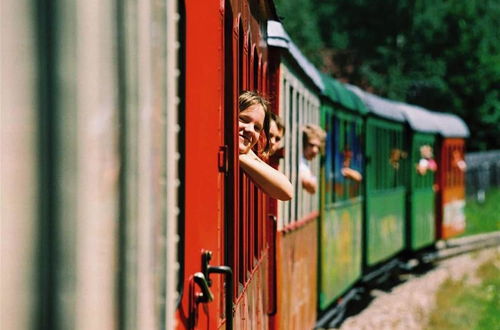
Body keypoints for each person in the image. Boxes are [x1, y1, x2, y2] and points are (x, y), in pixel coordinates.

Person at [238, 91, 293, 201]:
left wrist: (239, 157)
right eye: (243, 119)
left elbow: (286, 192)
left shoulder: (245, 152)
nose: (250, 130)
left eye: (257, 128)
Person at [300, 124, 326, 194]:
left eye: (318, 147)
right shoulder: (299, 161)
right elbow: (310, 185)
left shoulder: (303, 161)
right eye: (311, 145)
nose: (315, 150)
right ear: (303, 142)